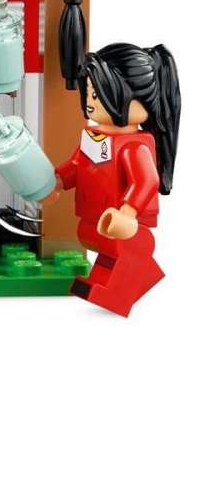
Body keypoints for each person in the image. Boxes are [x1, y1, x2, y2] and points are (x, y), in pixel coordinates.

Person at [48, 42, 180, 317]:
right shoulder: (94, 138)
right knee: (104, 246)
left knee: (121, 248)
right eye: (89, 92)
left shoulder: (134, 146)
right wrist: (56, 180)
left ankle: (117, 292)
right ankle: (137, 277)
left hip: (123, 221)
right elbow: (77, 166)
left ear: (137, 101)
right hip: (95, 215)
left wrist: (128, 212)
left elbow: (146, 181)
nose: (90, 101)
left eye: (98, 94)